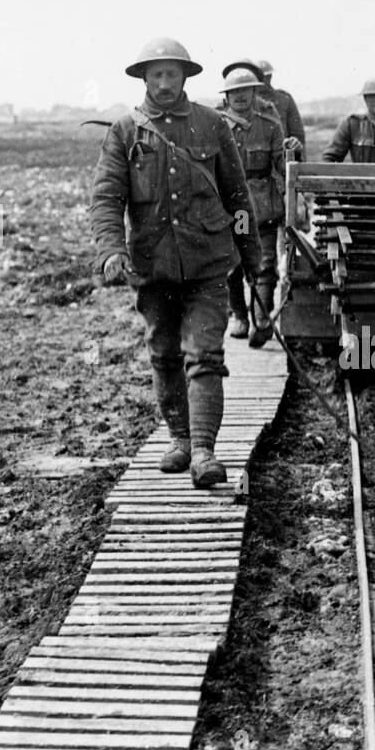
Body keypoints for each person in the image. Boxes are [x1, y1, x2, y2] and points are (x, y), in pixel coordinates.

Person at [90, 37, 261, 487]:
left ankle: (204, 451)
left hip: (208, 266)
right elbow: (107, 198)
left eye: (173, 74)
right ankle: (180, 440)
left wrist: (253, 256)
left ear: (186, 77)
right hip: (153, 267)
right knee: (164, 356)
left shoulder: (211, 126)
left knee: (204, 356)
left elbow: (238, 196)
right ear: (144, 78)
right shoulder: (125, 132)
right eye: (157, 74)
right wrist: (111, 249)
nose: (165, 83)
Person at [219, 68, 286, 347]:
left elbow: (282, 166)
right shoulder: (218, 126)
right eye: (234, 93)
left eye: (245, 91)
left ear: (254, 93)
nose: (240, 97)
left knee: (265, 262)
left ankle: (261, 319)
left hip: (261, 206)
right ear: (227, 97)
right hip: (237, 210)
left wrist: (292, 152)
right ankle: (239, 316)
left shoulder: (270, 126)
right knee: (235, 262)